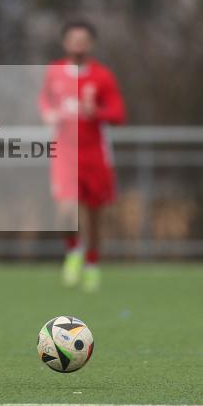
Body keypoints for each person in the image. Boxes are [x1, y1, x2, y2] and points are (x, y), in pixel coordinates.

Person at [38, 19, 125, 292]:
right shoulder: (54, 72)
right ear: (65, 43)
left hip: (95, 155)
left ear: (91, 43)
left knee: (95, 215)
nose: (78, 44)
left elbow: (118, 113)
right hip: (64, 152)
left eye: (83, 39)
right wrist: (47, 112)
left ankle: (92, 264)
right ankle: (74, 250)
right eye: (73, 39)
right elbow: (44, 100)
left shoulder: (102, 76)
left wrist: (97, 112)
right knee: (66, 210)